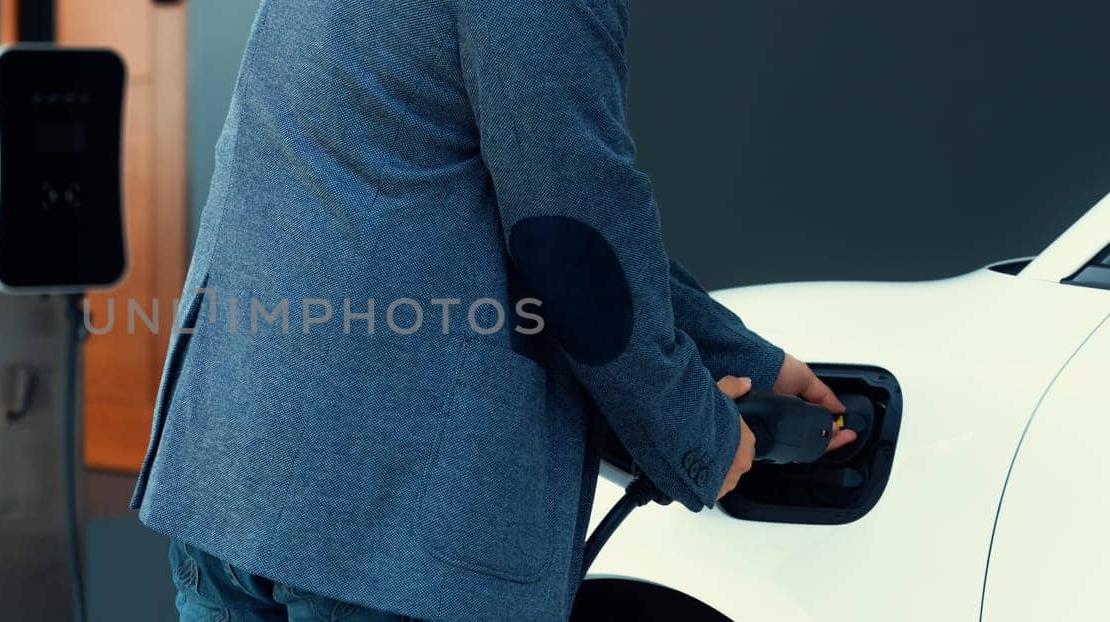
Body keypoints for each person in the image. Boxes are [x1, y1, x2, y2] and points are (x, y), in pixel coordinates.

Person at [130, 0, 856, 620]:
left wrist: (745, 362)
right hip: (385, 536)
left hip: (229, 477)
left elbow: (514, 201)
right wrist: (698, 437)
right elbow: (573, 233)